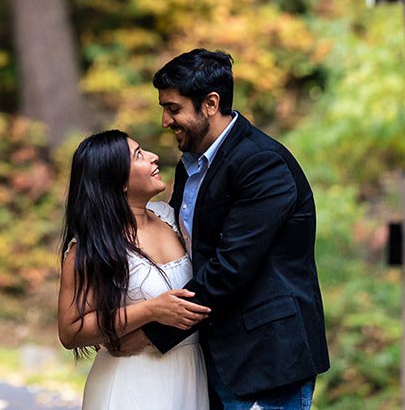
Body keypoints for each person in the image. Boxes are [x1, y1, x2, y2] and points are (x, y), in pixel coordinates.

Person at [130, 48, 329, 410]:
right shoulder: (190, 165)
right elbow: (185, 253)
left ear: (210, 103)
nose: (165, 121)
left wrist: (150, 332)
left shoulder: (261, 163)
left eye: (173, 108)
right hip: (210, 356)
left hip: (265, 361)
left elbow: (231, 268)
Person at [57, 128, 211, 410]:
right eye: (138, 155)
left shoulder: (170, 217)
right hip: (130, 383)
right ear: (117, 181)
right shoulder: (93, 248)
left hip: (189, 373)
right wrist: (151, 310)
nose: (153, 157)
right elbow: (71, 331)